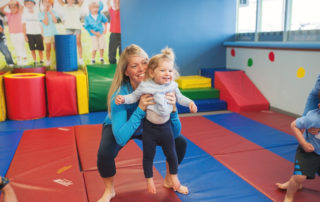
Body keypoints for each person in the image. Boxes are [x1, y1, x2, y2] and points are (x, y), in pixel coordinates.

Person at [97, 44, 187, 202]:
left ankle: (168, 179)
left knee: (179, 142)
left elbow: (175, 133)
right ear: (126, 72)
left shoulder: (162, 88)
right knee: (105, 152)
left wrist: (173, 109)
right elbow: (122, 138)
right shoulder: (120, 95)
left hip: (147, 127)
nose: (141, 69)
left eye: (144, 62)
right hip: (121, 126)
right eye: (134, 65)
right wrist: (140, 108)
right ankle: (109, 190)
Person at [116, 47, 196, 194]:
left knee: (172, 153)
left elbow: (180, 98)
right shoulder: (146, 86)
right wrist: (123, 99)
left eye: (170, 71)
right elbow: (133, 96)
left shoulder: (172, 86)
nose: (168, 74)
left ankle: (173, 178)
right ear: (152, 73)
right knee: (148, 155)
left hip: (165, 127)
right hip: (150, 129)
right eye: (163, 71)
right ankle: (149, 180)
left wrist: (190, 103)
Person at [276, 74, 320, 202]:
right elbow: (295, 125)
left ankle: (295, 180)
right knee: (300, 176)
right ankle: (293, 186)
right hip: (311, 150)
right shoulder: (313, 116)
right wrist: (304, 143)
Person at [0, 0, 28, 66]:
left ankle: (24, 59)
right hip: (12, 34)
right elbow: (1, 9)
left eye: (14, 7)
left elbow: (22, 6)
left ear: (17, 8)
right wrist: (8, 3)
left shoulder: (20, 13)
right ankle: (19, 60)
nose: (12, 9)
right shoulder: (8, 14)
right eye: (11, 8)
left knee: (21, 46)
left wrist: (15, 1)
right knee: (16, 47)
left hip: (20, 33)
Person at [57, 0, 84, 65]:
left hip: (77, 27)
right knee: (69, 44)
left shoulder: (77, 6)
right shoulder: (65, 6)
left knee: (78, 42)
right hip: (68, 28)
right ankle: (69, 59)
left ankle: (80, 59)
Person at [22, 0, 44, 66]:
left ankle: (41, 60)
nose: (29, 5)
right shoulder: (24, 14)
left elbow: (41, 24)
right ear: (25, 5)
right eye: (27, 4)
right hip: (29, 34)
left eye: (31, 4)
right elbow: (24, 25)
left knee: (40, 48)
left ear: (34, 5)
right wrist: (25, 35)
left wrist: (42, 33)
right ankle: (35, 61)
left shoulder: (38, 13)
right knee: (32, 49)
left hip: (38, 33)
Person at [39, 0, 58, 67]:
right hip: (47, 34)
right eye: (45, 2)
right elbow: (46, 23)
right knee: (48, 48)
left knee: (55, 48)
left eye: (48, 2)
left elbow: (55, 21)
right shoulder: (40, 14)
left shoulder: (53, 12)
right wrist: (46, 13)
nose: (47, 3)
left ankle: (55, 62)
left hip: (54, 33)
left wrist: (50, 12)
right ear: (42, 3)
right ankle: (48, 61)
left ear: (51, 3)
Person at [106, 0, 121, 64]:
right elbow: (108, 3)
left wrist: (118, 4)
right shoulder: (112, 11)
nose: (116, 4)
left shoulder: (123, 11)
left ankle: (122, 63)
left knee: (122, 50)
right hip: (114, 34)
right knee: (112, 49)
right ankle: (112, 62)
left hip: (122, 34)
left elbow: (118, 7)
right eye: (114, 3)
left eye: (118, 3)